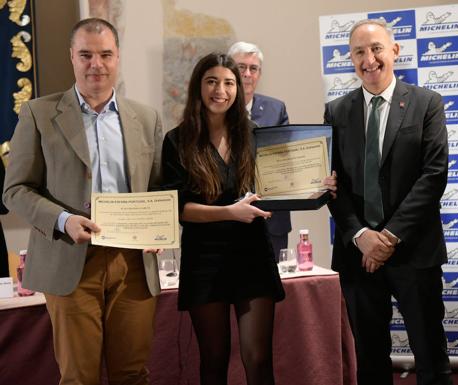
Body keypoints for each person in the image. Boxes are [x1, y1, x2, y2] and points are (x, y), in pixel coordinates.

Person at [3, 18, 163, 385]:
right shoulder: (39, 114)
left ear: (117, 57)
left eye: (105, 54)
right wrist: (62, 220)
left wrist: (160, 228)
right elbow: (15, 190)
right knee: (78, 378)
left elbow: (157, 188)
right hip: (70, 262)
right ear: (72, 58)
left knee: (133, 375)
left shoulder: (146, 117)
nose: (97, 64)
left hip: (133, 264)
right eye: (86, 55)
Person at [325, 19, 453, 385]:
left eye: (376, 48)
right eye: (359, 52)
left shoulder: (427, 103)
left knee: (431, 358)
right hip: (357, 255)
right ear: (350, 57)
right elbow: (334, 186)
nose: (369, 59)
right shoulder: (335, 112)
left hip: (415, 252)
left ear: (394, 51)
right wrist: (360, 234)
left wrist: (389, 236)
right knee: (370, 362)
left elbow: (433, 176)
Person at [161, 52, 284, 385]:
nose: (221, 90)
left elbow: (281, 185)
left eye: (229, 83)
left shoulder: (255, 134)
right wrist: (230, 212)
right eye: (212, 81)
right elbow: (178, 208)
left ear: (238, 88)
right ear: (198, 87)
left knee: (258, 359)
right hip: (205, 259)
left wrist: (317, 185)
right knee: (214, 361)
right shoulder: (177, 140)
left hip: (252, 255)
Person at [228, 41, 291, 261]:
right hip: (229, 220)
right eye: (240, 67)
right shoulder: (215, 110)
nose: (247, 73)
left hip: (271, 219)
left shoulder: (276, 109)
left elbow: (285, 160)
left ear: (259, 74)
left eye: (253, 68)